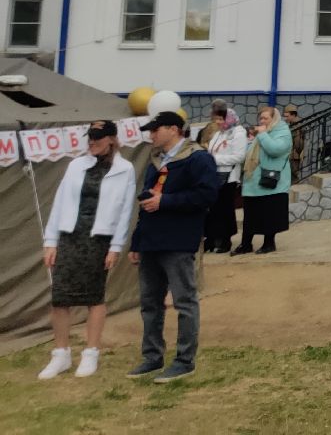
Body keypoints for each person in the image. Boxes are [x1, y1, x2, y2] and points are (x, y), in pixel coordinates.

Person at [37, 121, 137, 380]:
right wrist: (51, 241)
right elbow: (59, 203)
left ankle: (91, 352)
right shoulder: (76, 165)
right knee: (60, 296)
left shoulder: (125, 170)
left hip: (98, 238)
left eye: (98, 138)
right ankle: (60, 353)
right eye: (90, 138)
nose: (92, 142)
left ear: (111, 140)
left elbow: (125, 211)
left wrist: (116, 246)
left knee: (94, 296)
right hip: (70, 235)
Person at [127, 111, 221, 383]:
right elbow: (146, 203)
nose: (151, 135)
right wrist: (137, 241)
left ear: (173, 129)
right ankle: (152, 356)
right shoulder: (157, 161)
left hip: (178, 240)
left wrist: (165, 202)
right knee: (150, 302)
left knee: (184, 301)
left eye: (155, 130)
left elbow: (206, 195)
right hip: (151, 240)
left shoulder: (197, 158)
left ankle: (184, 360)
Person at [234, 105, 292, 255]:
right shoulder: (262, 133)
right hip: (253, 182)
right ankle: (246, 244)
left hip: (271, 182)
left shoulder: (282, 132)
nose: (262, 120)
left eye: (266, 118)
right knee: (250, 215)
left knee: (269, 215)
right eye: (261, 118)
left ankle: (269, 243)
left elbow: (275, 150)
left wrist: (263, 134)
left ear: (274, 118)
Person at [202, 106, 246, 254]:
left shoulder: (238, 133)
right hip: (214, 176)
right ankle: (211, 238)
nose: (218, 122)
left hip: (228, 177)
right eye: (217, 119)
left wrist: (214, 159)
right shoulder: (219, 133)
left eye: (221, 119)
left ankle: (225, 240)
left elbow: (239, 156)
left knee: (224, 210)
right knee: (212, 209)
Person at [283, 105, 304, 179]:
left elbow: (298, 142)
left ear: (293, 115)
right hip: (293, 153)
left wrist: (297, 152)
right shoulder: (293, 124)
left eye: (287, 116)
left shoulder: (297, 125)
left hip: (294, 155)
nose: (286, 118)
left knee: (293, 175)